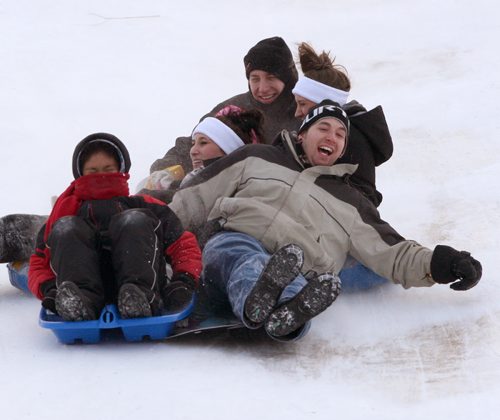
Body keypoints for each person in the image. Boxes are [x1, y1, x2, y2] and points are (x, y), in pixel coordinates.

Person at [168, 100, 482, 341]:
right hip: (237, 237)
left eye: (341, 134)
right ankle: (267, 302)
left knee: (293, 273)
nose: (333, 136)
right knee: (240, 257)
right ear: (303, 133)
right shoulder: (256, 157)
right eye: (324, 128)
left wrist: (444, 264)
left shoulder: (351, 201)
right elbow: (195, 198)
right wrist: (152, 228)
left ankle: (288, 313)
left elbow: (391, 251)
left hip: (297, 262)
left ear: (342, 148)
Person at [28, 133, 202, 321]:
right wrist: (49, 289)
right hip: (82, 293)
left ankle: (140, 297)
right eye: (93, 171)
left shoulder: (145, 205)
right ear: (81, 174)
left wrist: (183, 280)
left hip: (143, 288)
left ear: (120, 169)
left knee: (133, 220)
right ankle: (80, 301)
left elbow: (183, 245)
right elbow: (39, 262)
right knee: (66, 228)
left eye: (108, 169)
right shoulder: (66, 213)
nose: (101, 176)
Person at [149, 36, 300, 175]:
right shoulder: (232, 109)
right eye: (255, 79)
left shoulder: (305, 111)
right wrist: (166, 168)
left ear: (288, 79)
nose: (263, 88)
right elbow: (194, 144)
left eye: (271, 78)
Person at [292, 42, 393, 207]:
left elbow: (363, 198)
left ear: (322, 103)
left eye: (302, 104)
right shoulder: (346, 131)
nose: (297, 113)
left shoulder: (350, 137)